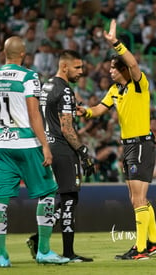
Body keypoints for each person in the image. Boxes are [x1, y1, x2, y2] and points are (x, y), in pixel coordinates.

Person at [77, 19, 156, 260]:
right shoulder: (115, 90)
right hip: (128, 146)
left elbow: (134, 63)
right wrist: (84, 111)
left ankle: (140, 249)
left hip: (140, 143)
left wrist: (115, 43)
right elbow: (99, 109)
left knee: (138, 197)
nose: (110, 71)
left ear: (124, 69)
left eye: (114, 68)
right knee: (135, 197)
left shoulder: (139, 84)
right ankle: (155, 240)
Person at [0, 36, 69, 267]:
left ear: (4, 53)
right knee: (48, 194)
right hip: (26, 144)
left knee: (0, 201)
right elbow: (34, 114)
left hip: (1, 145)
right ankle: (43, 250)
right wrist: (45, 145)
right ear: (23, 54)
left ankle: (2, 255)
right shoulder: (29, 76)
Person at [26, 50, 95, 263]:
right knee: (69, 199)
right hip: (63, 150)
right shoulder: (65, 90)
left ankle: (40, 239)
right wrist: (83, 152)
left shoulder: (46, 86)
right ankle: (68, 252)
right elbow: (66, 128)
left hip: (47, 146)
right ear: (64, 67)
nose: (81, 72)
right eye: (77, 67)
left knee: (57, 198)